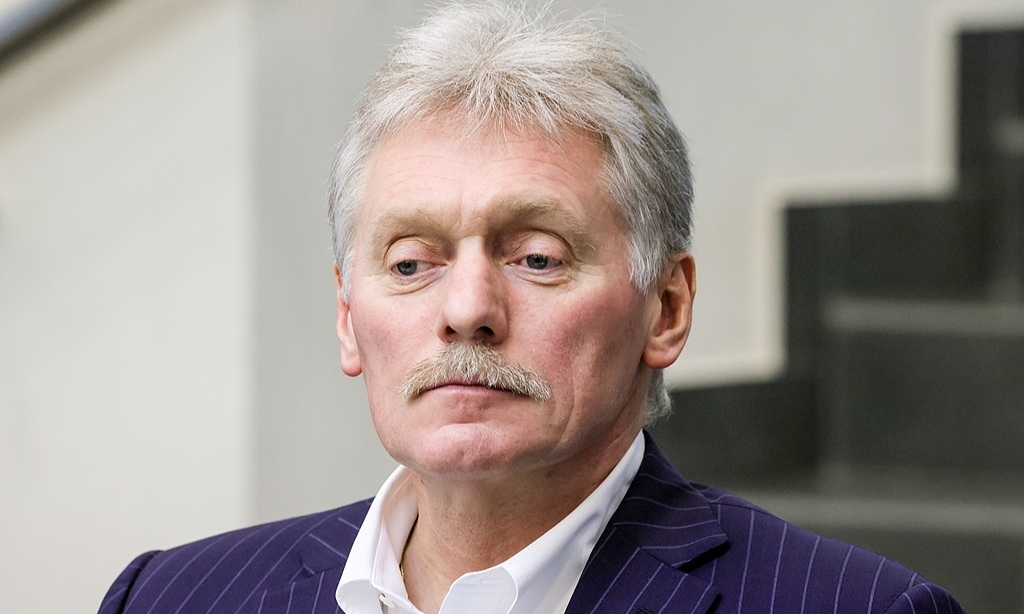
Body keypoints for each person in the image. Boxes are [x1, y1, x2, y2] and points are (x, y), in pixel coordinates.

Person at [98, 2, 964, 613]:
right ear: (346, 316)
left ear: (666, 309)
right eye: (411, 263)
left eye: (537, 258)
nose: (467, 309)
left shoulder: (858, 607)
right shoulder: (169, 599)